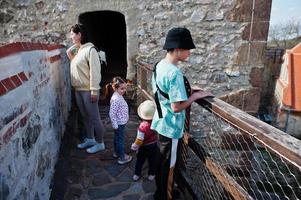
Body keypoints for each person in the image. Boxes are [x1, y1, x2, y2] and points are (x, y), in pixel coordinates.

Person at [151, 27, 213, 200]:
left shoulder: (160, 66)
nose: (189, 53)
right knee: (169, 165)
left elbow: (162, 91)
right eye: (188, 50)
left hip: (161, 120)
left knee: (162, 161)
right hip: (171, 126)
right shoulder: (175, 73)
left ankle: (160, 192)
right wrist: (195, 96)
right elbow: (176, 107)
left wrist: (189, 90)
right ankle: (166, 196)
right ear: (178, 49)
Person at [69, 23, 105, 153]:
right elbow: (69, 55)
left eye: (73, 33)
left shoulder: (91, 50)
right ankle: (90, 139)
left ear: (79, 35)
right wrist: (77, 45)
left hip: (88, 90)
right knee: (85, 117)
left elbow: (95, 72)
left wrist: (94, 90)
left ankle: (100, 143)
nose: (70, 36)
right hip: (79, 90)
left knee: (94, 117)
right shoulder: (80, 50)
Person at [131, 100, 158, 181]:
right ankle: (151, 174)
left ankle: (137, 174)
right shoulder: (156, 122)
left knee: (140, 160)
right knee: (152, 160)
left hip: (143, 147)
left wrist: (134, 146)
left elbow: (139, 140)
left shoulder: (142, 126)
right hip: (153, 145)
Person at [109, 76, 132, 164]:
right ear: (115, 88)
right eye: (122, 89)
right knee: (120, 140)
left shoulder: (118, 95)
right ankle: (122, 157)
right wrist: (115, 125)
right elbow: (112, 113)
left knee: (117, 138)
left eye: (125, 88)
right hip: (119, 124)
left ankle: (116, 152)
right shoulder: (116, 99)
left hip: (120, 122)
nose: (124, 90)